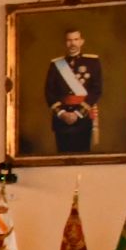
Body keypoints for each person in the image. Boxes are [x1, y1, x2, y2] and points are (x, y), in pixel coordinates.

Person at [45, 27, 104, 155]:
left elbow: (96, 90)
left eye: (76, 39)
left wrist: (77, 113)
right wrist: (62, 113)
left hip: (83, 117)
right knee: (62, 157)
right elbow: (49, 92)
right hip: (62, 119)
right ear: (65, 43)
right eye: (69, 40)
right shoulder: (56, 64)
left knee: (82, 157)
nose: (72, 43)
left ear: (81, 41)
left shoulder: (93, 62)